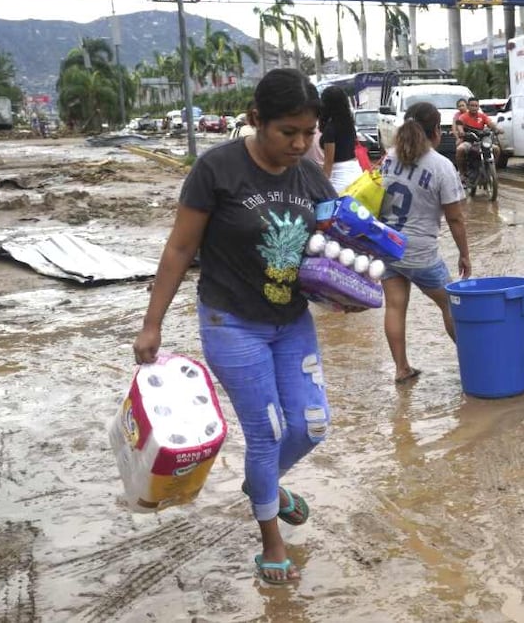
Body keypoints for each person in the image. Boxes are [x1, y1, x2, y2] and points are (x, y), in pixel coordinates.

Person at [132, 68, 339, 585]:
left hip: (292, 320)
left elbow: (329, 253)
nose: (299, 144)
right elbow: (180, 248)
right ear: (255, 120)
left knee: (312, 424)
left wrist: (345, 294)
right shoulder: (216, 169)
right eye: (287, 132)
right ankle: (271, 541)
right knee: (267, 432)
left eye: (308, 133)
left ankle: (260, 485)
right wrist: (152, 324)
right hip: (231, 321)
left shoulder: (311, 177)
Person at [378, 102, 471, 384]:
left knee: (394, 307)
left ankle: (401, 368)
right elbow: (455, 218)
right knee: (452, 305)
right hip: (420, 253)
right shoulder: (441, 166)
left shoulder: (389, 158)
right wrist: (464, 254)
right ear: (436, 130)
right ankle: (476, 361)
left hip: (387, 246)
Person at [319, 85, 362, 193]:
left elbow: (329, 162)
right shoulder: (349, 125)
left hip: (339, 177)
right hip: (357, 172)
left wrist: (320, 188)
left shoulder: (330, 129)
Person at [454, 96, 501, 179]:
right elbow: (459, 126)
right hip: (469, 141)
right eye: (472, 105)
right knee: (460, 149)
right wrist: (461, 132)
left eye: (476, 106)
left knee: (496, 149)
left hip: (482, 141)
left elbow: (490, 123)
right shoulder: (463, 117)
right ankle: (462, 173)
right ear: (468, 106)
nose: (474, 108)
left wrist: (497, 129)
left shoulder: (482, 116)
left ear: (478, 107)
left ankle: (491, 169)